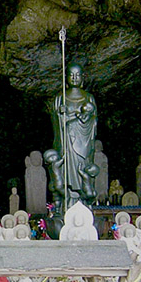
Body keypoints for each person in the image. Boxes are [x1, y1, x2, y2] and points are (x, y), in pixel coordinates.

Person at [48, 62, 99, 208]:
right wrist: (60, 114)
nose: (75, 78)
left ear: (83, 78)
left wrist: (85, 119)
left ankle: (84, 198)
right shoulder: (60, 98)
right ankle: (67, 199)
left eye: (78, 75)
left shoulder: (88, 97)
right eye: (72, 75)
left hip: (83, 141)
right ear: (66, 78)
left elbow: (94, 121)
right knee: (67, 168)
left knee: (83, 169)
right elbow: (55, 123)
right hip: (66, 142)